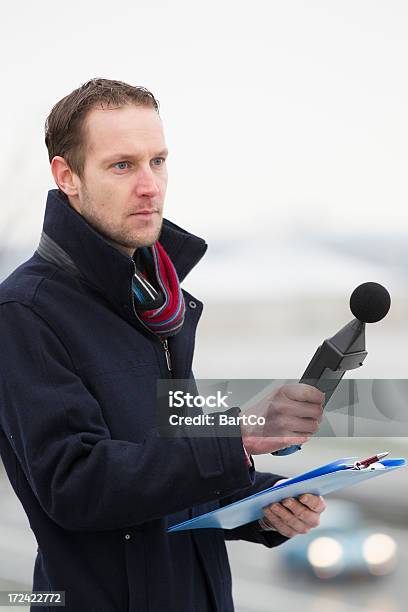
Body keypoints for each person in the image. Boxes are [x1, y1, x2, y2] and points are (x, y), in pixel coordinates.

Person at [0, 78, 326, 612]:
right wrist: (238, 436)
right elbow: (76, 484)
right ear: (68, 177)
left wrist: (261, 504)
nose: (150, 185)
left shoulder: (158, 305)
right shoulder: (24, 311)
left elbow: (166, 466)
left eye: (158, 160)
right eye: (122, 165)